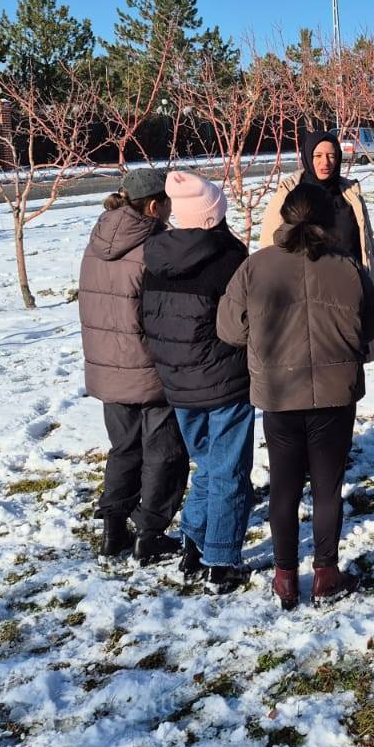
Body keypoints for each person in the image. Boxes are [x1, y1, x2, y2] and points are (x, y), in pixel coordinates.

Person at [219, 185, 374, 609]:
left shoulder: (255, 268)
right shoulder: (347, 268)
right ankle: (326, 573)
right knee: (328, 487)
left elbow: (229, 330)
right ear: (328, 220)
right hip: (335, 392)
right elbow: (370, 322)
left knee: (284, 487)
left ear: (284, 218)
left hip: (279, 393)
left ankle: (285, 576)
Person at [140, 171, 255, 593]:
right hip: (225, 382)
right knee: (229, 470)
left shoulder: (155, 260)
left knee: (206, 464)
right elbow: (243, 322)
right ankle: (221, 560)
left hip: (178, 383)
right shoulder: (230, 259)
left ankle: (192, 540)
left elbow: (147, 320)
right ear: (213, 216)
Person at [78, 168, 189, 564]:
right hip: (149, 368)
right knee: (164, 452)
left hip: (106, 366)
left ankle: (113, 529)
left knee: (123, 448)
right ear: (156, 205)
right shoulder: (155, 245)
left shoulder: (96, 241)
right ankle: (150, 533)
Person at [261, 128, 374, 301]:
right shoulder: (288, 194)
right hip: (304, 296)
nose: (325, 162)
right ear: (308, 157)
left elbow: (367, 245)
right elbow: (268, 248)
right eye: (318, 156)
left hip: (349, 289)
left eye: (331, 156)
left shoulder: (350, 195)